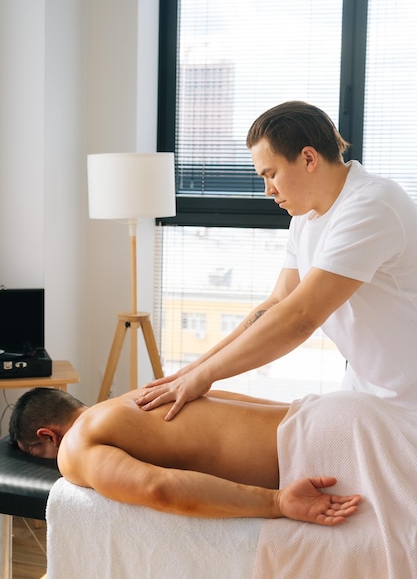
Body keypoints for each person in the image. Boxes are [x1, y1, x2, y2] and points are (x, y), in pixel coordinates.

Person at [137, 100, 417, 419]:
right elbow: (278, 303)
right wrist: (191, 370)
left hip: (408, 404)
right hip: (366, 393)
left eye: (271, 174)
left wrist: (203, 377)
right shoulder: (304, 218)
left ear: (308, 158)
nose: (268, 190)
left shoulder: (371, 204)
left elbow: (300, 316)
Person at [9, 386, 361, 525]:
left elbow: (156, 488)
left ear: (48, 436)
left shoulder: (73, 446)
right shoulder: (139, 393)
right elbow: (226, 395)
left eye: (38, 455)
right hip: (331, 412)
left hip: (322, 453)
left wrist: (277, 502)